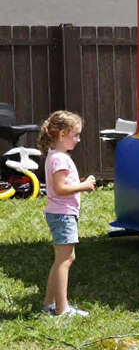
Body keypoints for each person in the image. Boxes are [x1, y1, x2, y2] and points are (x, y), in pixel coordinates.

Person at [38, 110, 96, 316]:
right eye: (76, 135)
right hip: (63, 215)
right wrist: (84, 186)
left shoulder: (56, 156)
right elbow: (60, 189)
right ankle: (62, 309)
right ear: (62, 135)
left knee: (64, 259)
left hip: (61, 213)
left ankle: (49, 304)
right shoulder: (60, 159)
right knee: (65, 261)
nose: (79, 140)